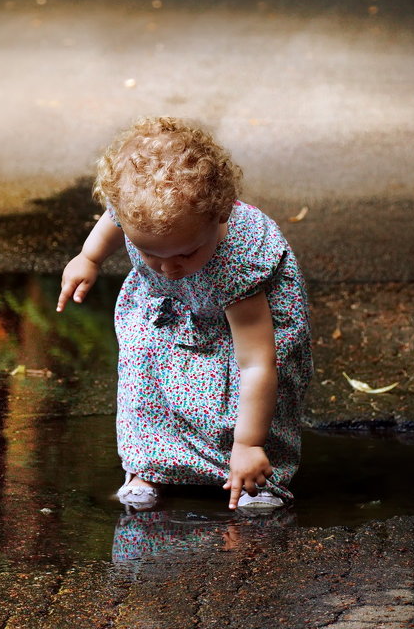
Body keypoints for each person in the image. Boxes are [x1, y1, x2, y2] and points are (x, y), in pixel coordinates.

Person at [57, 117, 313, 512]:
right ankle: (149, 466)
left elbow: (257, 363)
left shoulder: (238, 263)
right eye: (150, 255)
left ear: (220, 215)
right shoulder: (138, 217)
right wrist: (88, 257)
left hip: (244, 324)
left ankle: (251, 474)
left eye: (185, 253)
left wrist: (249, 442)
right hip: (173, 306)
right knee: (144, 370)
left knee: (231, 391)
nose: (168, 268)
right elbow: (113, 218)